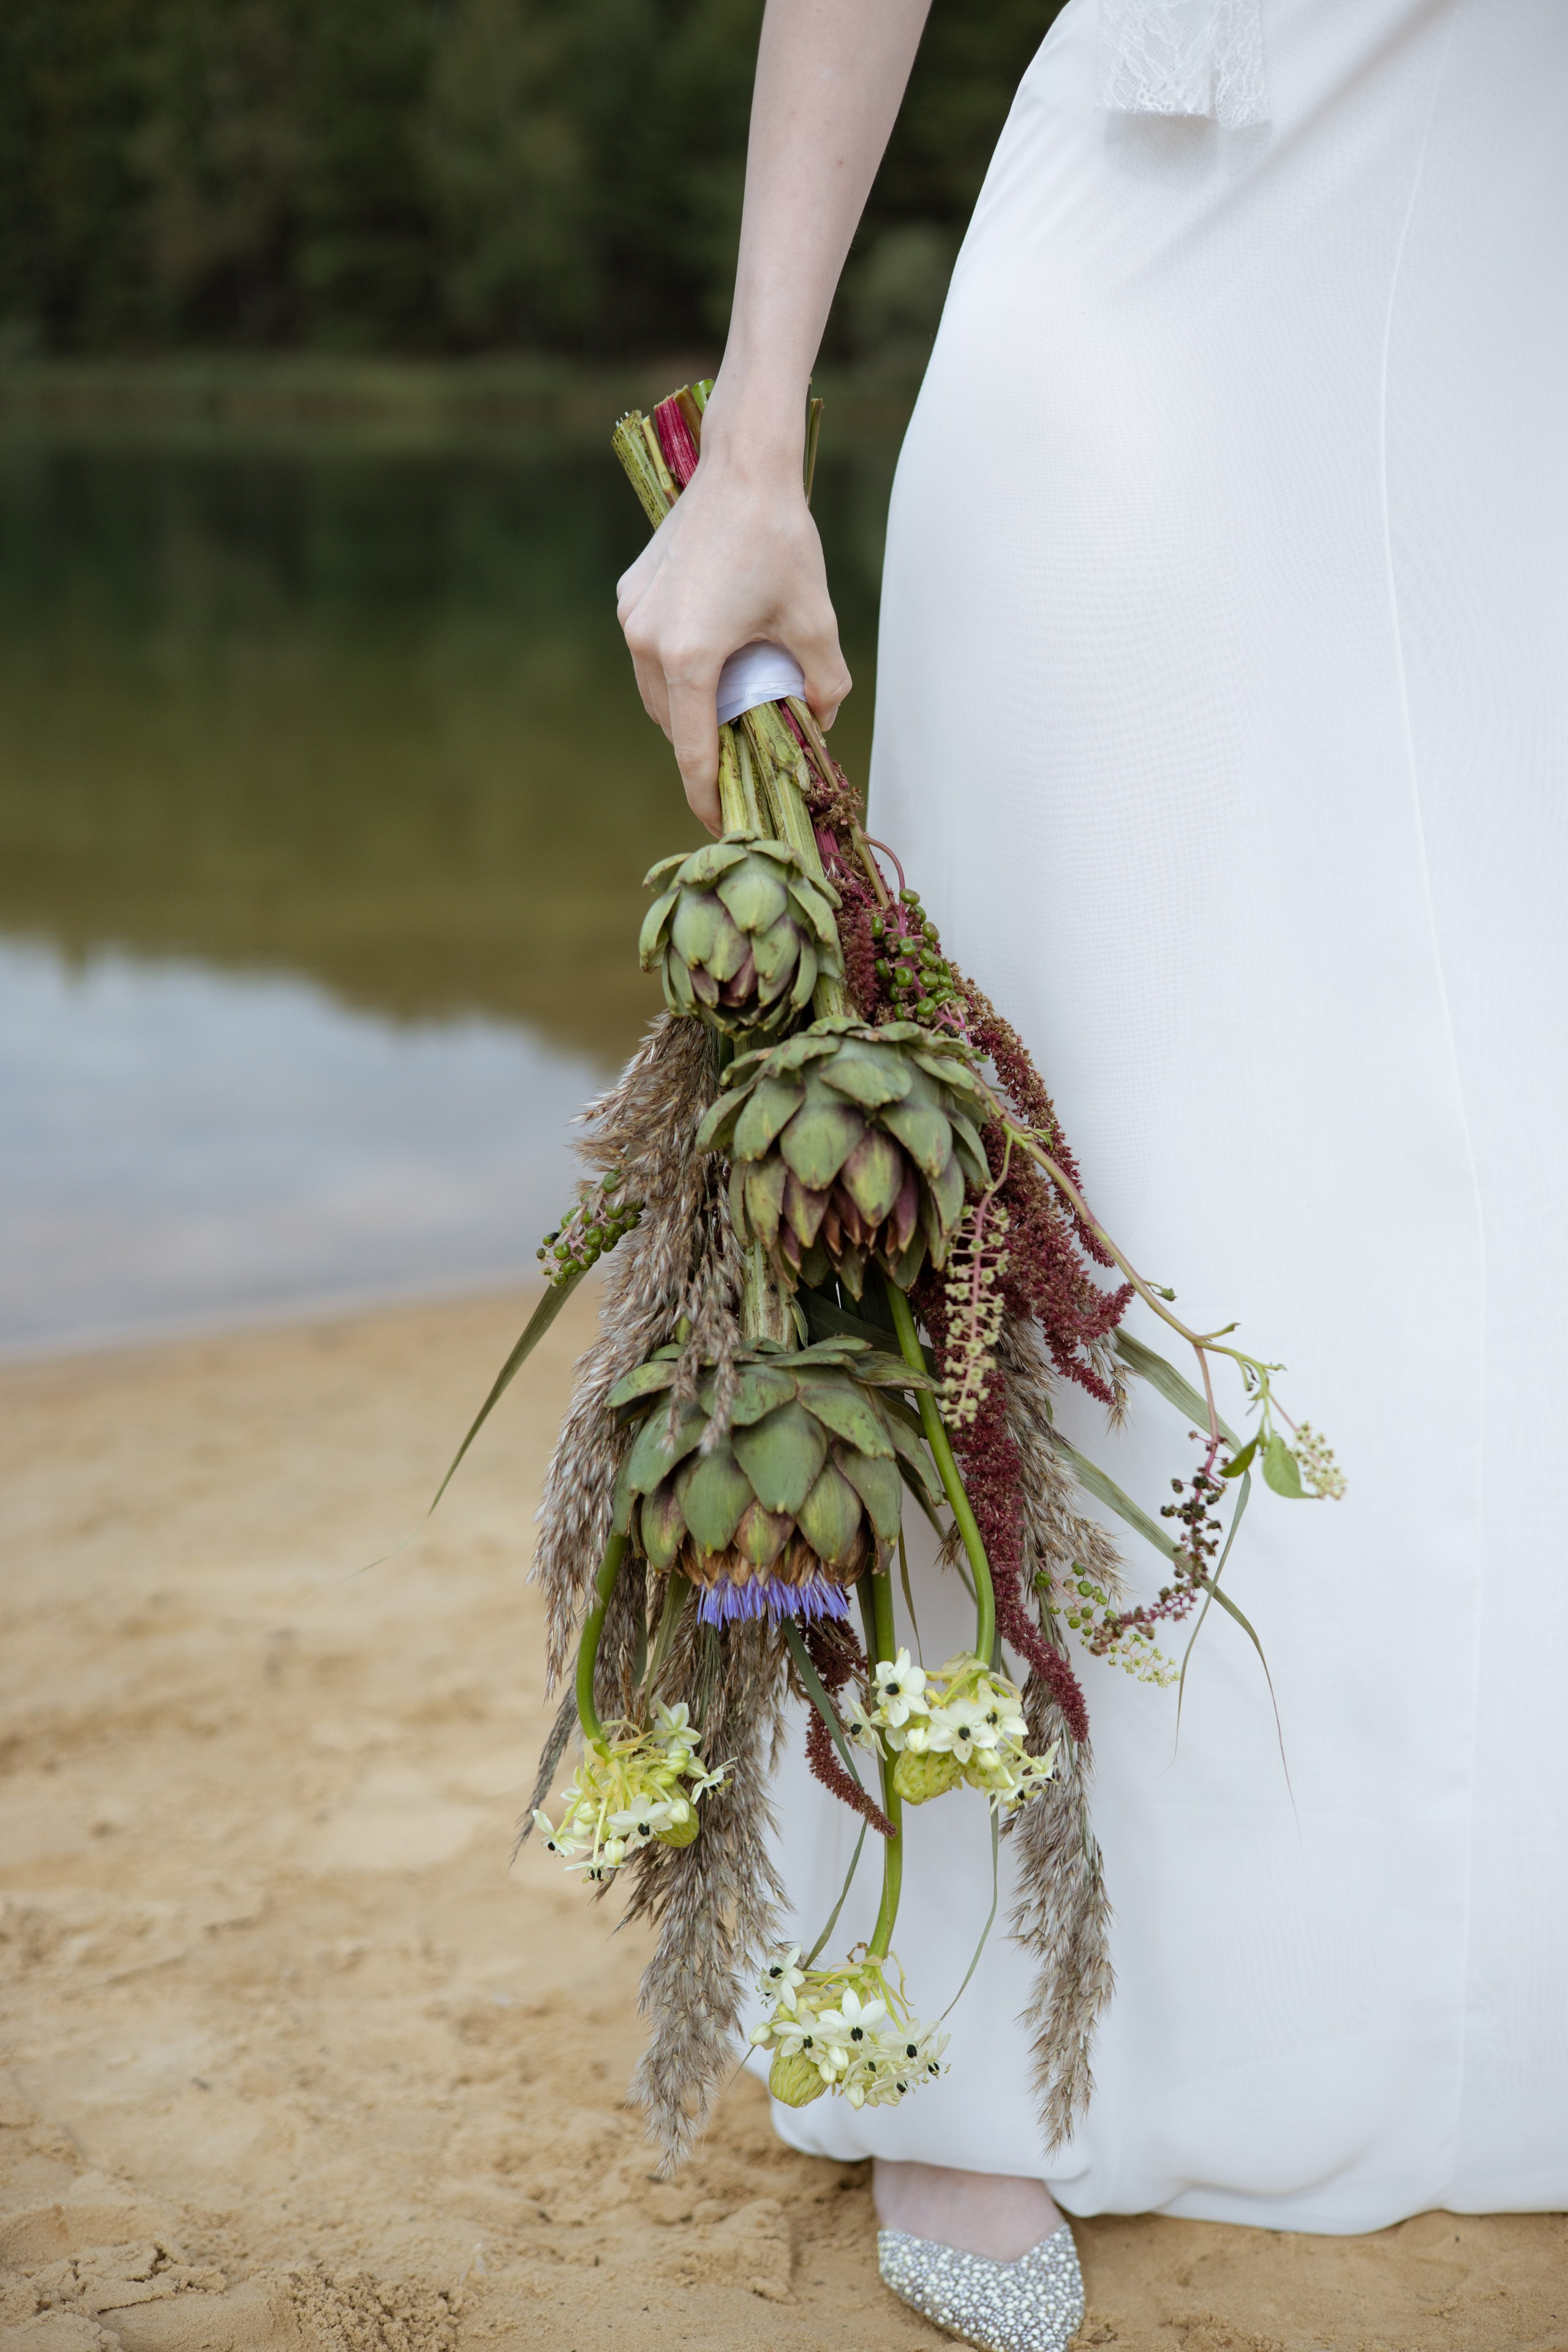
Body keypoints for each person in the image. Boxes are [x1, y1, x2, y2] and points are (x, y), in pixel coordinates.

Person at [616, 4, 1568, 2346]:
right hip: (1162, 235)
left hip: (1509, 282)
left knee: (1484, 1116)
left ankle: (1476, 1956)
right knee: (1088, 1087)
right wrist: (753, 441)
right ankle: (991, 2019)